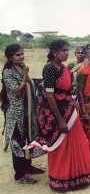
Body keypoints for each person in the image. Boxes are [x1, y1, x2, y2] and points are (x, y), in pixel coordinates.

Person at [24, 39, 90, 191]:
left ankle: (77, 177)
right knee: (61, 147)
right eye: (63, 50)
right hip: (58, 116)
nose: (66, 53)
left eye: (68, 50)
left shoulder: (64, 68)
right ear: (54, 52)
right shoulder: (49, 69)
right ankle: (60, 179)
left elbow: (67, 90)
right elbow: (49, 96)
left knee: (76, 144)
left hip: (69, 112)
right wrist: (60, 121)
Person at [0, 44, 44, 184]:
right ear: (10, 57)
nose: (21, 56)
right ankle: (19, 175)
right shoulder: (8, 72)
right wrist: (25, 75)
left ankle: (28, 166)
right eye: (17, 54)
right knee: (18, 143)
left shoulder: (19, 67)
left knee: (28, 139)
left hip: (27, 113)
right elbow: (17, 92)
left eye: (22, 53)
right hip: (17, 114)